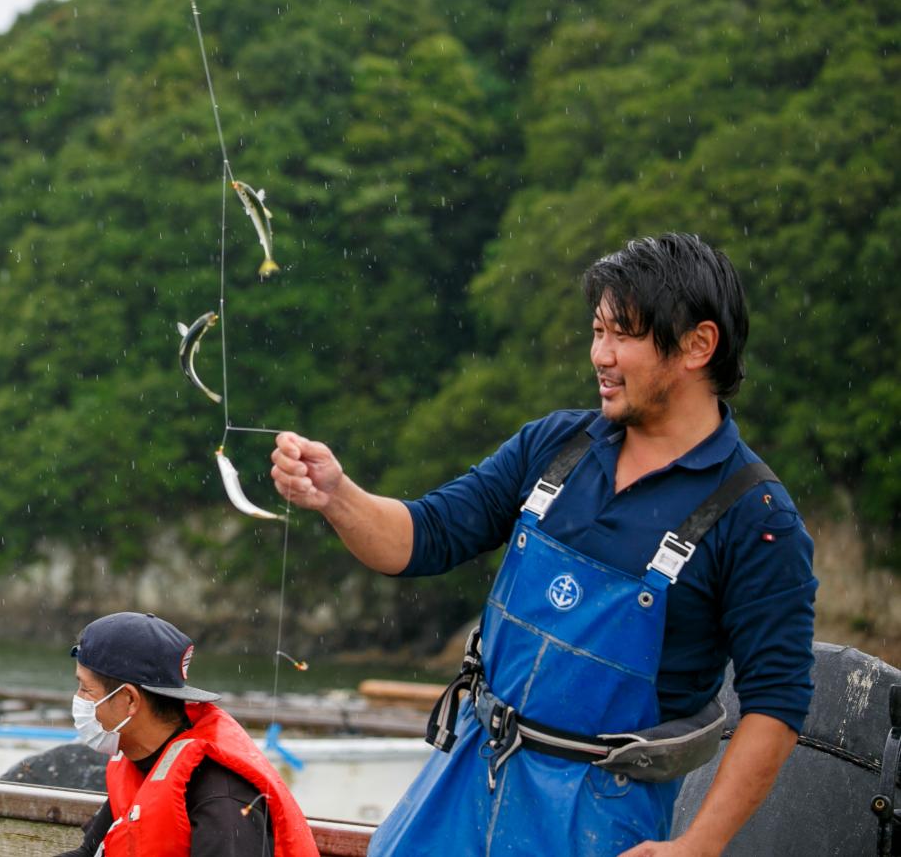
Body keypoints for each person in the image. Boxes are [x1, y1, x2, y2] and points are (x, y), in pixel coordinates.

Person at [270, 233, 816, 856]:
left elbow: (777, 702)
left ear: (699, 344)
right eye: (596, 331)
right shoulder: (556, 448)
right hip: (464, 779)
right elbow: (424, 538)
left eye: (623, 335)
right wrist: (336, 495)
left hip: (598, 819)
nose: (600, 356)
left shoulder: (758, 518)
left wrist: (696, 845)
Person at [56, 611, 320, 857]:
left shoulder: (222, 801)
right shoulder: (142, 760)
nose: (78, 700)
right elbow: (87, 853)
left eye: (86, 690)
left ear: (129, 700)